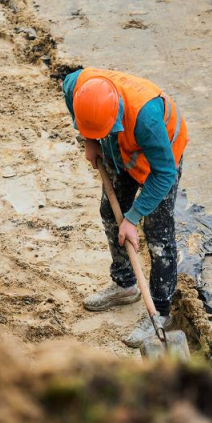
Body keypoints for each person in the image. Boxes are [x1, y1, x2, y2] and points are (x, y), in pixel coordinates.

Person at [62, 68, 188, 348]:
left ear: (116, 117)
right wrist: (91, 141)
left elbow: (164, 174)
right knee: (110, 213)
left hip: (161, 155)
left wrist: (132, 218)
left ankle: (161, 313)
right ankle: (125, 284)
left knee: (158, 236)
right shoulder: (76, 86)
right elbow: (70, 98)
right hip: (120, 147)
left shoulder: (147, 119)